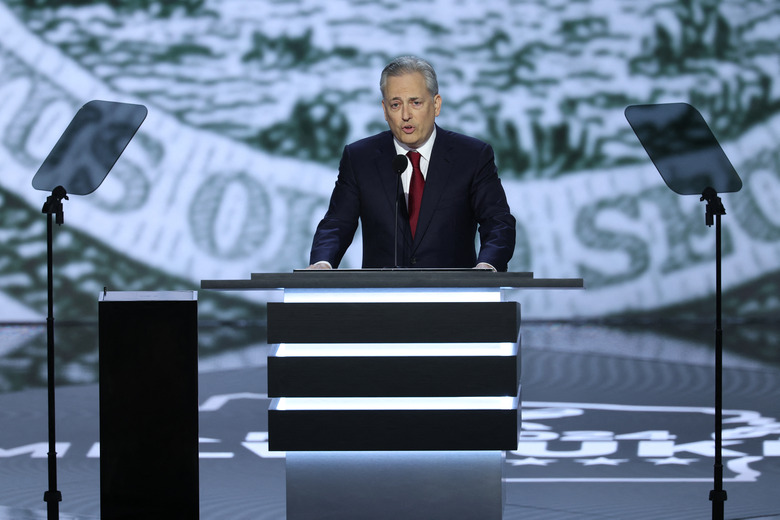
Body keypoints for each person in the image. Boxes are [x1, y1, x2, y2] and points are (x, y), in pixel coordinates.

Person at [308, 56, 516, 271]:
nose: (406, 115)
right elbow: (337, 223)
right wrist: (322, 263)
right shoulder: (360, 158)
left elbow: (497, 222)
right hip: (382, 298)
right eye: (395, 104)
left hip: (452, 298)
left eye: (415, 103)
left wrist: (487, 265)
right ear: (384, 110)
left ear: (436, 105)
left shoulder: (472, 156)